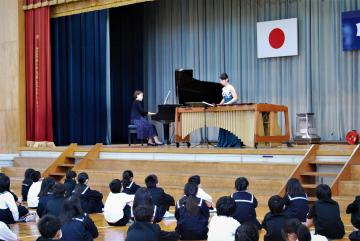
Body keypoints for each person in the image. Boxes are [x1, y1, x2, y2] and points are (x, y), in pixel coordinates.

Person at [217, 73, 241, 148]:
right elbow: (224, 98)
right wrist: (220, 104)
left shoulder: (231, 87)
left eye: (221, 80)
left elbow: (235, 98)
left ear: (226, 79)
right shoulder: (223, 89)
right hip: (225, 107)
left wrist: (227, 104)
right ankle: (224, 142)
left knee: (231, 125)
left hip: (231, 107)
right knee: (224, 124)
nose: (220, 82)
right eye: (220, 80)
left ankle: (233, 143)